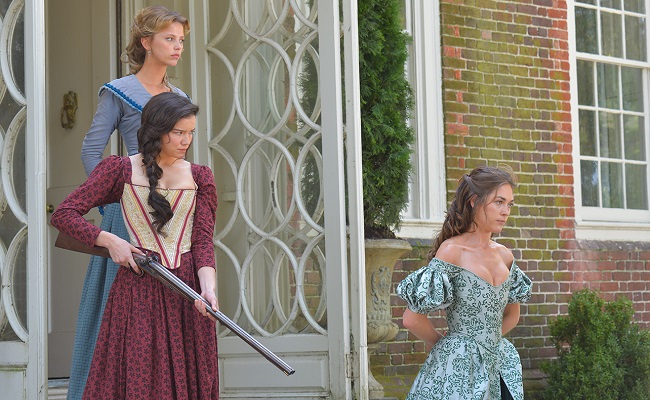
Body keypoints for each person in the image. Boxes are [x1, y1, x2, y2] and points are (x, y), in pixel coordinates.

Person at [52, 92, 219, 399]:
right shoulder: (120, 170)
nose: (186, 140)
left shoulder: (201, 177)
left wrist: (207, 289)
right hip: (138, 291)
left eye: (191, 133)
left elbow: (202, 242)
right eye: (178, 132)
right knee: (142, 381)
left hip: (187, 291)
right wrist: (110, 241)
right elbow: (63, 214)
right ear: (157, 130)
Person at [68, 6, 190, 399]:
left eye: (181, 40)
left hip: (170, 216)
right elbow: (91, 150)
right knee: (116, 309)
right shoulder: (118, 91)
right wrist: (112, 201)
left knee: (167, 309)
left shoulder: (180, 98)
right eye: (169, 38)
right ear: (146, 42)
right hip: (129, 214)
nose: (177, 47)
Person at [396, 166, 532, 400]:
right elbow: (411, 318)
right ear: (474, 201)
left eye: (509, 204)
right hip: (459, 368)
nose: (505, 211)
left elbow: (512, 315)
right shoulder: (452, 251)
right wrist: (447, 346)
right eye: (499, 202)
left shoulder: (505, 256)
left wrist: (486, 345)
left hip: (500, 364)